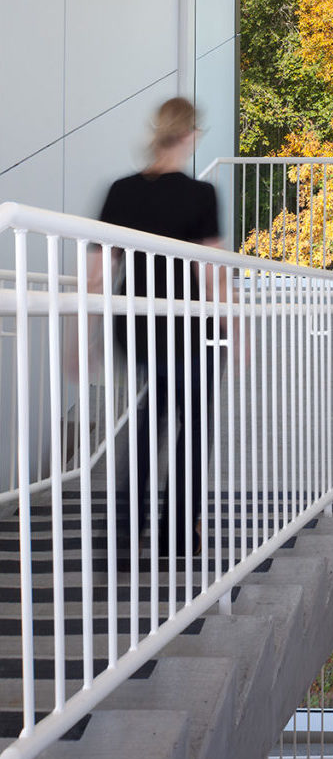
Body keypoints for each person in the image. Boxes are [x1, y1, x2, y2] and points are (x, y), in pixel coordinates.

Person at [92, 97, 223, 562]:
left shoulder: (121, 191)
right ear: (189, 136)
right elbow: (213, 276)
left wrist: (83, 335)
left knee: (152, 416)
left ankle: (125, 530)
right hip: (185, 325)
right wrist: (235, 330)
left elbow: (97, 272)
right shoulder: (199, 196)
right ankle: (176, 532)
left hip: (136, 326)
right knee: (193, 426)